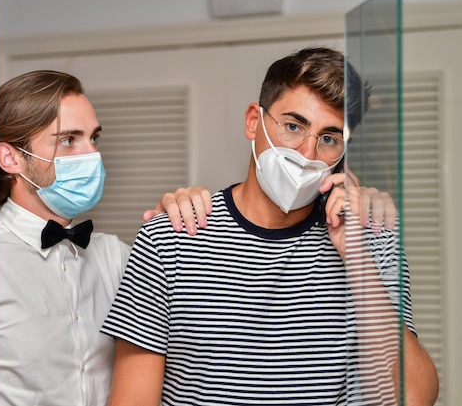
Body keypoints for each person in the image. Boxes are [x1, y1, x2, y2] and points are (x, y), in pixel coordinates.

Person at [101, 47, 439, 406]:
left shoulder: (372, 237)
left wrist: (356, 256)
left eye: (328, 138)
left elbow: (414, 398)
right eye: (293, 126)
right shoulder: (169, 237)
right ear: (253, 121)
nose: (307, 154)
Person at [0, 70, 212, 406]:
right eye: (69, 140)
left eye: (93, 138)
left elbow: (197, 350)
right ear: (11, 158)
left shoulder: (117, 256)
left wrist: (183, 223)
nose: (92, 155)